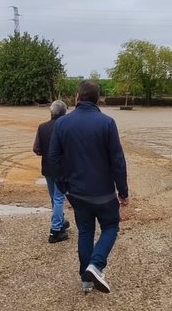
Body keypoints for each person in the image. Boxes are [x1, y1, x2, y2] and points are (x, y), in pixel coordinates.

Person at [48, 80, 129, 293]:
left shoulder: (62, 124)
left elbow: (53, 159)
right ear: (98, 99)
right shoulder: (107, 123)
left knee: (85, 231)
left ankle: (86, 279)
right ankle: (96, 264)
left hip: (77, 192)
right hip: (103, 192)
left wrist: (64, 186)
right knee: (111, 227)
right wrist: (123, 191)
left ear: (78, 97)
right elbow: (117, 160)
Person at [33, 99, 70, 243]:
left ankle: (60, 221)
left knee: (54, 198)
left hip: (47, 167)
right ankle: (55, 230)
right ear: (64, 112)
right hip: (61, 168)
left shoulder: (42, 127)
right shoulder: (65, 128)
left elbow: (36, 149)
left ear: (51, 112)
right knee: (59, 198)